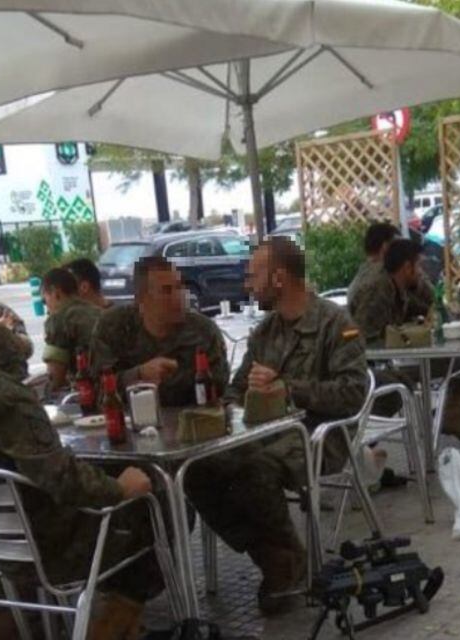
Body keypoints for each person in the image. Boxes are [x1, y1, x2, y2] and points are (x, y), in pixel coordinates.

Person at [0, 286, 160, 638]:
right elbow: (61, 477)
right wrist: (120, 488)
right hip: (52, 549)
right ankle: (108, 627)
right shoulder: (0, 394)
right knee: (159, 505)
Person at [185, 237, 368, 615]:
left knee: (252, 471)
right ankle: (276, 554)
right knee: (198, 469)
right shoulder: (265, 331)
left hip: (319, 437)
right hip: (262, 435)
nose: (249, 284)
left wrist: (289, 390)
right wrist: (234, 402)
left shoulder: (335, 324)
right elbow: (236, 389)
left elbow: (352, 393)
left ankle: (283, 561)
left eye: (254, 275)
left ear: (280, 278)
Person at [88, 257, 228, 405]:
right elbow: (96, 390)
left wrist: (186, 377)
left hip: (190, 418)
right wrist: (139, 375)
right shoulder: (114, 327)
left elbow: (220, 387)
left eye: (180, 287)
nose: (178, 297)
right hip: (131, 420)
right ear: (142, 300)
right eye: (166, 291)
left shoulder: (203, 331)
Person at [348, 238, 426, 348]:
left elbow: (421, 308)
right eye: (419, 265)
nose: (421, 273)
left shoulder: (398, 288)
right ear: (408, 267)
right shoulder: (377, 291)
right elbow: (359, 338)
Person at [348, 222, 431, 317]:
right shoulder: (377, 283)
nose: (404, 249)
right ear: (385, 248)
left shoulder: (382, 277)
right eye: (399, 246)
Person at [42, 267, 104, 390]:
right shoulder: (98, 311)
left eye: (44, 300)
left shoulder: (59, 319)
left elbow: (55, 378)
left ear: (56, 293)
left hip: (92, 389)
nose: (46, 307)